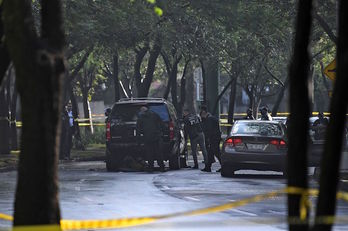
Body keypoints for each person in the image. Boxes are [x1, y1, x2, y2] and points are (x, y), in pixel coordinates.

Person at [136, 106, 165, 172]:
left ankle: (151, 167)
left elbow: (138, 129)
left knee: (149, 153)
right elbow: (162, 124)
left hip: (147, 138)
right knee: (158, 153)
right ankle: (161, 167)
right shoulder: (155, 115)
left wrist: (139, 141)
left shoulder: (141, 118)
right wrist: (161, 133)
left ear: (142, 111)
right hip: (156, 137)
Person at [200, 106, 222, 172]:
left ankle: (222, 166)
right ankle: (208, 167)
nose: (202, 118)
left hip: (213, 138)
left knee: (216, 153)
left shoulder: (209, 120)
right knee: (211, 153)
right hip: (215, 137)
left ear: (204, 113)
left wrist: (208, 138)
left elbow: (209, 130)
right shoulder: (212, 118)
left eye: (201, 116)